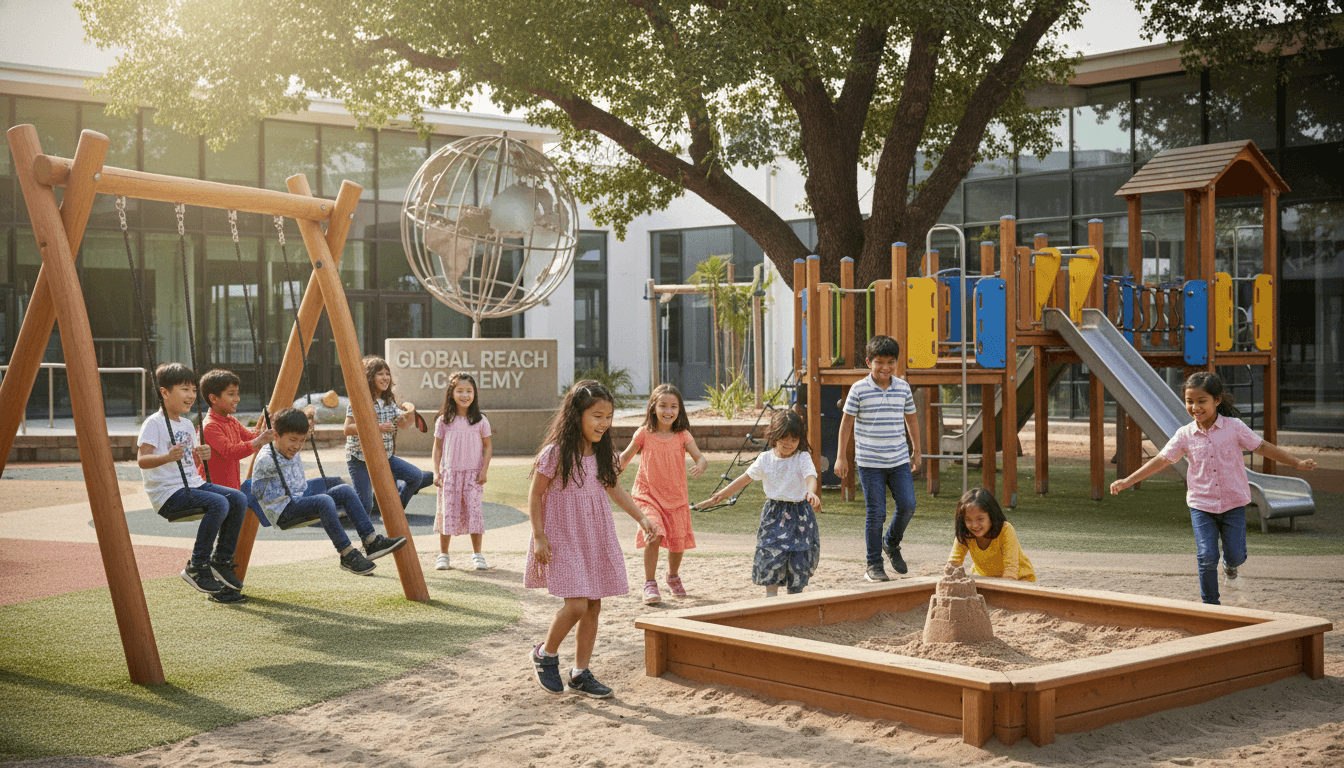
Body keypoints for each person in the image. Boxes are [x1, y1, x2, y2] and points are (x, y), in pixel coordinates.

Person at [1111, 371, 1316, 605]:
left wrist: (1297, 462)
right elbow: (1162, 460)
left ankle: (1231, 567)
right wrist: (1128, 480)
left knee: (1236, 554)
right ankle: (1211, 605)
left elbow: (1263, 447)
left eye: (1201, 401)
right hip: (1202, 505)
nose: (1195, 407)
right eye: (1190, 401)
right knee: (1206, 556)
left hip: (1233, 503)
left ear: (1217, 401)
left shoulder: (1234, 427)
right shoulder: (1184, 434)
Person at [526, 381, 661, 698]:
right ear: (577, 415)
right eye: (597, 416)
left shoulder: (602, 454)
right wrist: (539, 537)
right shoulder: (555, 454)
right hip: (563, 537)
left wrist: (642, 518)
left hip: (595, 538)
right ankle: (545, 653)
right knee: (575, 605)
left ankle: (580, 673)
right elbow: (534, 495)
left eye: (609, 417)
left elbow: (615, 489)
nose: (604, 423)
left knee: (593, 606)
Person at [137, 363, 250, 603]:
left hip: (193, 484)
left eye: (192, 390)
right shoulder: (153, 423)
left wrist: (200, 454)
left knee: (239, 498)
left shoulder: (188, 425)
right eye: (184, 389)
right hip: (168, 493)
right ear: (164, 392)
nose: (190, 395)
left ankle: (221, 560)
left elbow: (189, 460)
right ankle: (197, 565)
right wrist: (167, 456)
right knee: (219, 503)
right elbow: (142, 460)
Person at [253, 407, 408, 575]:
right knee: (324, 501)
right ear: (275, 435)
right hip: (282, 511)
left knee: (345, 490)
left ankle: (371, 541)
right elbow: (255, 489)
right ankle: (347, 554)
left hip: (298, 499)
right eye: (292, 440)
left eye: (302, 440)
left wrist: (306, 417)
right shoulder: (267, 460)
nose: (297, 446)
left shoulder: (287, 447)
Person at [696, 410, 821, 597]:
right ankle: (771, 596)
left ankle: (795, 597)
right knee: (770, 553)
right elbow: (743, 479)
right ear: (774, 435)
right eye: (783, 438)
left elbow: (810, 476)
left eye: (794, 439)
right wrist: (719, 496)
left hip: (799, 515)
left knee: (798, 558)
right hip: (774, 513)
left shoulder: (802, 457)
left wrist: (811, 492)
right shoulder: (765, 459)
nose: (788, 444)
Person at [834, 334, 923, 582]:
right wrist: (841, 457)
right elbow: (846, 425)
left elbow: (912, 420)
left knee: (908, 505)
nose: (886, 367)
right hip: (870, 463)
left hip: (898, 461)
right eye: (880, 362)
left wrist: (917, 452)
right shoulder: (858, 389)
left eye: (891, 361)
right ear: (869, 362)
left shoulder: (903, 387)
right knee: (876, 513)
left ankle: (891, 543)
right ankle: (873, 564)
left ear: (896, 362)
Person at [619, 383, 708, 605]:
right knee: (654, 533)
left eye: (673, 406)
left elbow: (700, 457)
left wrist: (701, 465)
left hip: (676, 499)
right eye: (663, 406)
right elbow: (624, 457)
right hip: (647, 495)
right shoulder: (643, 434)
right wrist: (610, 473)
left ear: (680, 410)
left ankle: (672, 575)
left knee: (677, 543)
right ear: (653, 408)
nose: (668, 411)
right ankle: (650, 583)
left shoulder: (683, 435)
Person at [344, 356, 434, 517]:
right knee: (364, 506)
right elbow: (348, 429)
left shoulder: (389, 401)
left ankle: (396, 509)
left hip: (384, 456)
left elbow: (404, 422)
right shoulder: (359, 400)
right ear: (370, 377)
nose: (385, 377)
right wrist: (377, 428)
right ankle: (340, 505)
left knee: (416, 476)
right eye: (380, 374)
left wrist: (404, 418)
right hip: (360, 458)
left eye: (387, 374)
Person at [431, 372, 493, 571]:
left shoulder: (481, 420)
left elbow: (487, 446)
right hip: (449, 475)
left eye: (469, 391)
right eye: (460, 391)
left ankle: (477, 555)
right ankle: (443, 555)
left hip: (473, 476)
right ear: (452, 393)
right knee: (446, 512)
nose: (465, 395)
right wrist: (436, 472)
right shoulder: (444, 420)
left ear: (474, 394)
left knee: (474, 513)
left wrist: (484, 470)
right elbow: (437, 447)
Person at [199, 369, 276, 491]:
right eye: (231, 394)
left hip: (231, 487)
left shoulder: (231, 420)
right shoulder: (210, 426)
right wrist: (261, 440)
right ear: (213, 398)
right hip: (215, 490)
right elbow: (231, 452)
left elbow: (252, 437)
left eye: (237, 393)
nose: (237, 399)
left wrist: (263, 419)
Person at [947, 488, 1035, 581]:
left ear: (991, 516)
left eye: (980, 519)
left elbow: (1011, 570)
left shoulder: (1005, 530)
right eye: (968, 520)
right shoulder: (966, 532)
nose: (975, 525)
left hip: (1020, 578)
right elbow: (953, 563)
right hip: (984, 578)